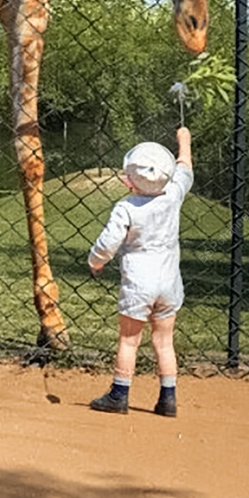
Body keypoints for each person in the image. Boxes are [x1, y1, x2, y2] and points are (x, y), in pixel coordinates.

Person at [88, 128, 193, 417]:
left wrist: (95, 261)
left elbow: (108, 243)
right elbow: (186, 170)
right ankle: (168, 399)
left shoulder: (126, 208)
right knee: (164, 341)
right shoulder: (173, 195)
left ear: (128, 180)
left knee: (129, 340)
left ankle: (119, 394)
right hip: (169, 283)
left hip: (138, 284)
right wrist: (184, 142)